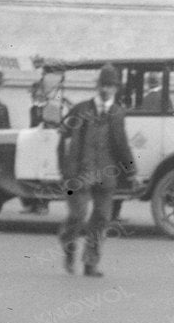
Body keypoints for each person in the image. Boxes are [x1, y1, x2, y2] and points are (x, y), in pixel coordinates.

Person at [57, 65, 136, 277]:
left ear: (116, 89)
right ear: (97, 86)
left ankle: (90, 263)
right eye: (103, 85)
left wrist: (130, 171)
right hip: (78, 174)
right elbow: (62, 139)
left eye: (110, 86)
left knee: (101, 217)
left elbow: (122, 145)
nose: (106, 89)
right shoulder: (81, 109)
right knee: (78, 215)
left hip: (106, 174)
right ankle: (69, 246)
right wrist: (65, 170)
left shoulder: (118, 113)